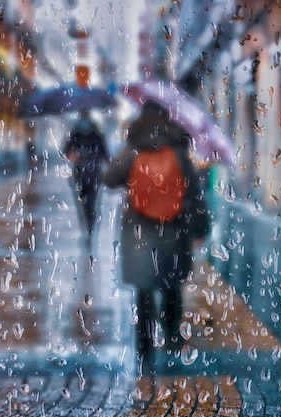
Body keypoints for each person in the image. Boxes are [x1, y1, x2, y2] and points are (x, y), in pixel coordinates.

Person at [103, 100, 210, 375]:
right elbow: (195, 191)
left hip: (139, 228)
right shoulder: (178, 147)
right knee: (172, 283)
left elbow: (110, 178)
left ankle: (145, 346)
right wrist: (200, 228)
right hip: (174, 226)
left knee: (144, 289)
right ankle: (173, 336)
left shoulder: (132, 146)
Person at [63, 109, 109, 243]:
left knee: (90, 203)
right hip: (82, 173)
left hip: (91, 174)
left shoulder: (95, 133)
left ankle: (89, 228)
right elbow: (66, 150)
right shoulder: (76, 133)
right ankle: (88, 227)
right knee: (85, 203)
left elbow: (104, 153)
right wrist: (72, 154)